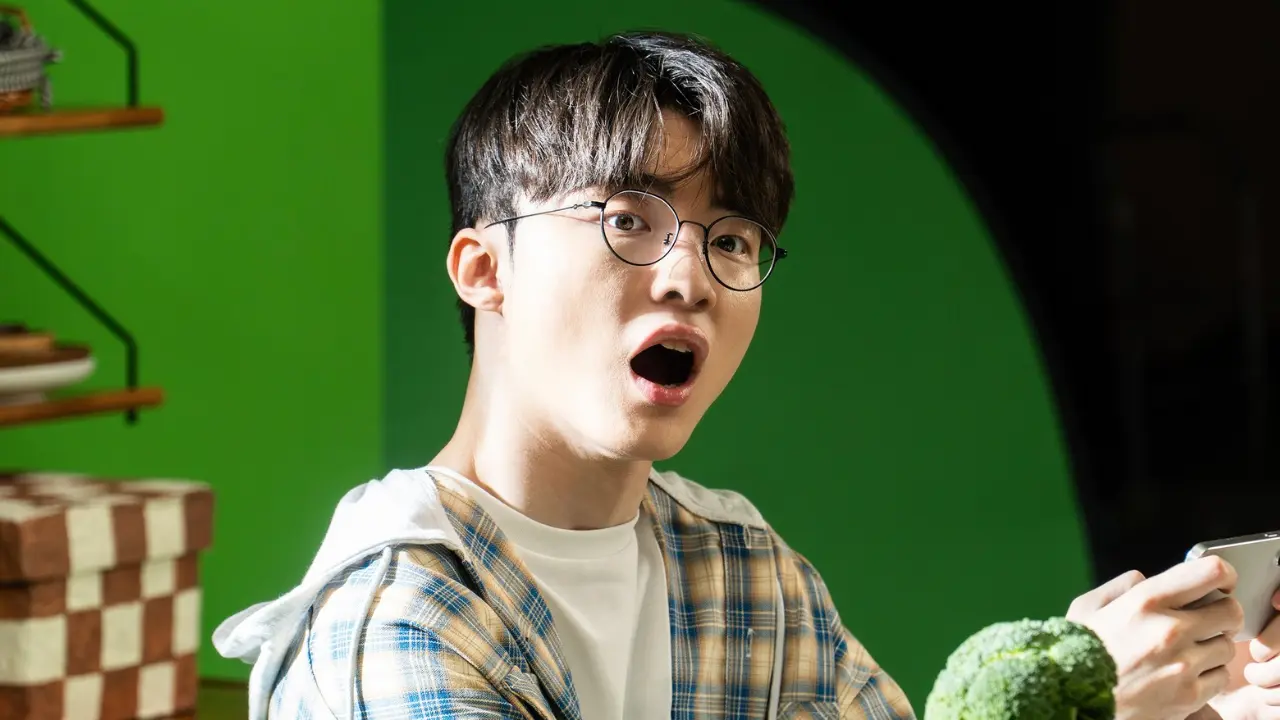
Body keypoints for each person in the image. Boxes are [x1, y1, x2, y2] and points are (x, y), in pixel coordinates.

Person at [213, 30, 1280, 720]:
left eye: (730, 239)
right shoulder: (396, 622)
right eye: (627, 220)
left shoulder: (740, 573)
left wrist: (1197, 703)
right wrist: (1071, 698)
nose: (689, 276)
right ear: (484, 270)